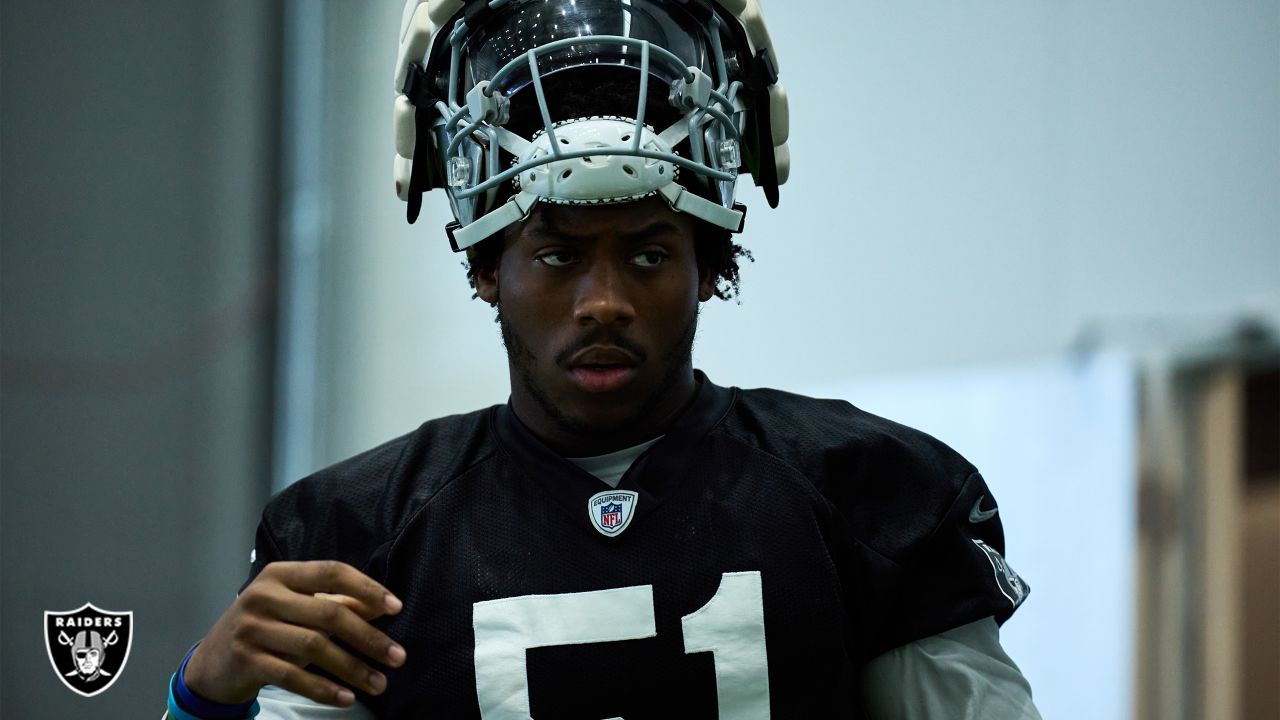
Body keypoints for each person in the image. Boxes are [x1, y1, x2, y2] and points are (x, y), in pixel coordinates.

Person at [164, 1, 1041, 718]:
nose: (604, 301)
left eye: (650, 254)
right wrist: (204, 696)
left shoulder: (869, 493)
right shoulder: (362, 536)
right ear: (486, 271)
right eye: (558, 254)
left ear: (711, 268)